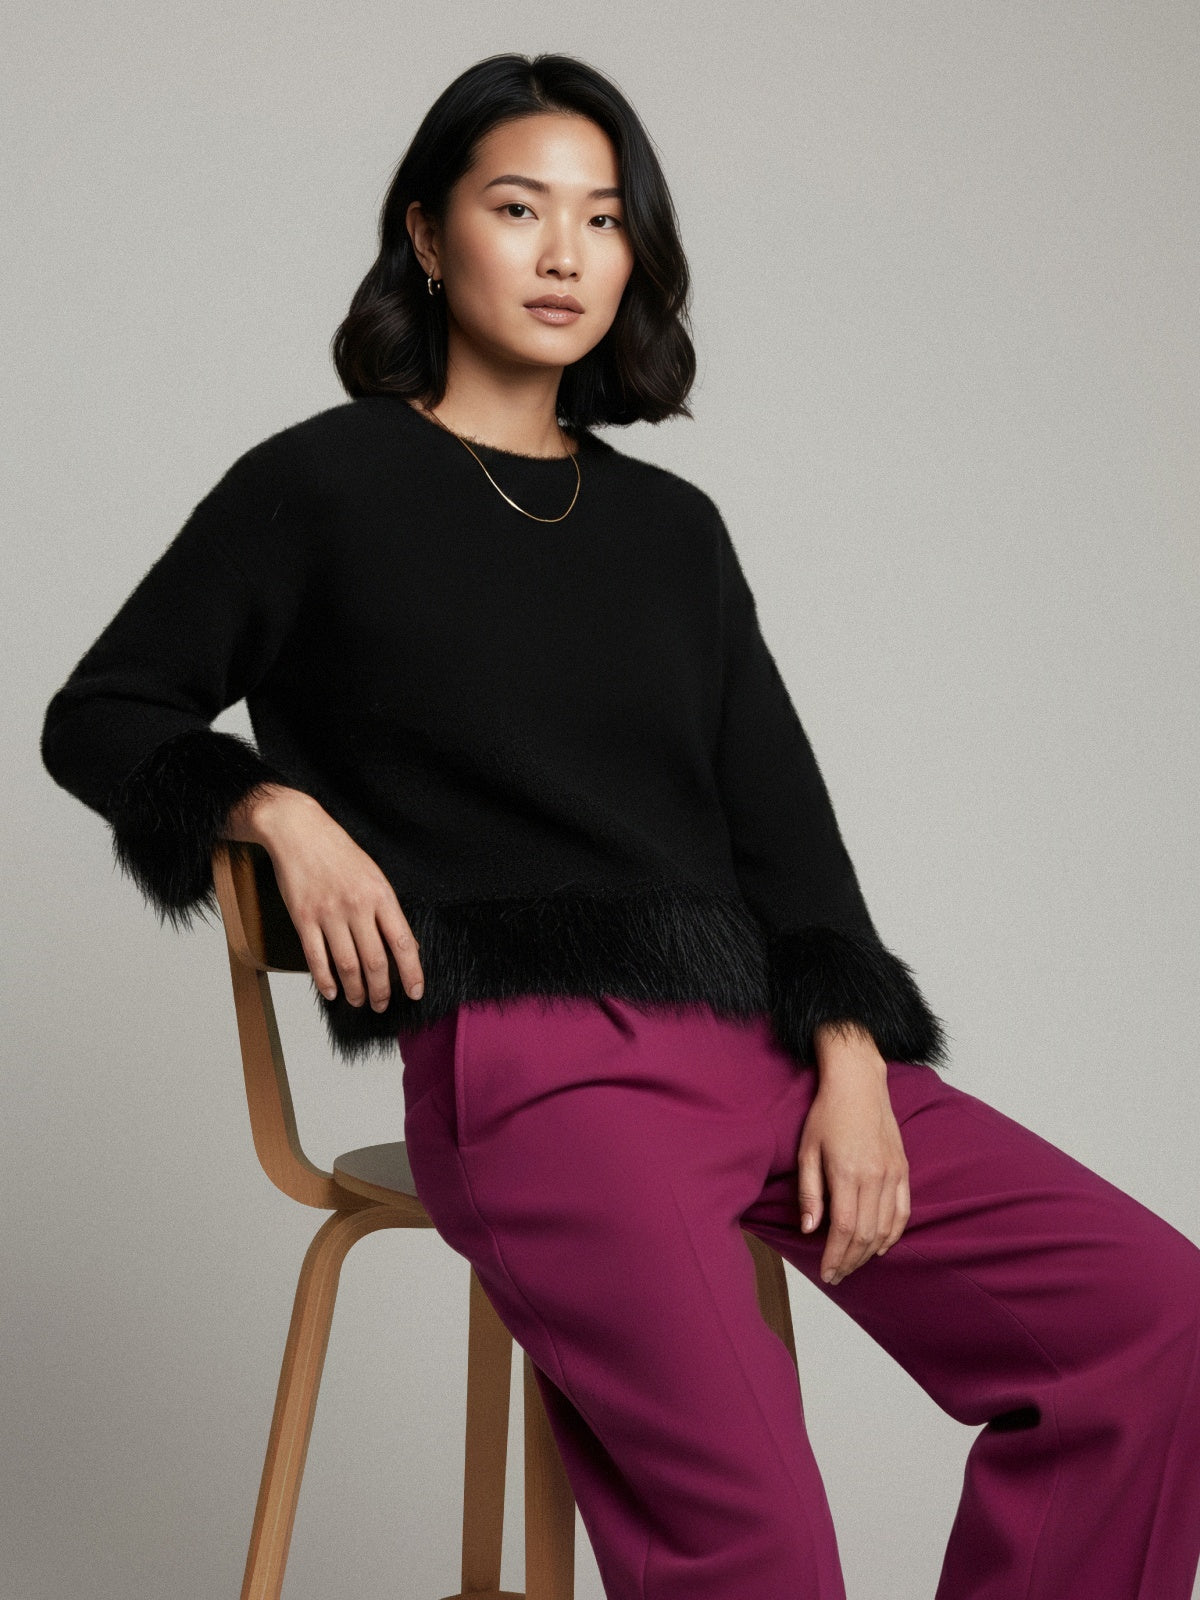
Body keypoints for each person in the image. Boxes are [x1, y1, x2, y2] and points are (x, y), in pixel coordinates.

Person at [40, 50, 1200, 1600]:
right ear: (428, 233)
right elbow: (102, 713)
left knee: (1152, 1322)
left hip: (764, 1055)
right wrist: (272, 811)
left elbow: (786, 835)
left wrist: (855, 1060)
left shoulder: (673, 531)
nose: (567, 254)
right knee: (763, 1546)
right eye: (520, 208)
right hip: (537, 1069)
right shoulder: (324, 484)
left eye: (603, 219)